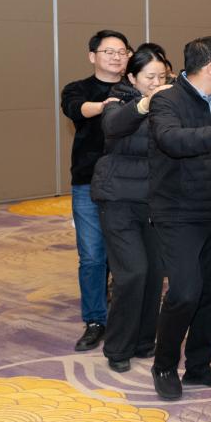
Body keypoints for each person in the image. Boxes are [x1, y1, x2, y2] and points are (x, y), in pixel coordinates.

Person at [148, 36, 211, 401]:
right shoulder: (167, 100)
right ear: (210, 67)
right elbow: (173, 141)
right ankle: (163, 365)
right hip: (178, 213)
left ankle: (199, 364)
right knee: (184, 292)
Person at [92, 45, 168, 372]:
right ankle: (118, 347)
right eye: (150, 77)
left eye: (162, 77)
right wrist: (143, 105)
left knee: (154, 274)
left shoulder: (170, 103)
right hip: (118, 198)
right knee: (132, 272)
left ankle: (144, 341)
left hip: (154, 199)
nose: (157, 83)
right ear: (132, 77)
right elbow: (113, 126)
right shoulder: (116, 101)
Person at [61, 28, 131, 352]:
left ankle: (128, 315)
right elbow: (76, 109)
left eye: (122, 52)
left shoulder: (135, 86)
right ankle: (95, 321)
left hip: (128, 182)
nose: (116, 57)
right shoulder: (77, 88)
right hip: (87, 181)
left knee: (127, 254)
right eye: (109, 52)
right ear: (93, 56)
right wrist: (107, 106)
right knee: (91, 256)